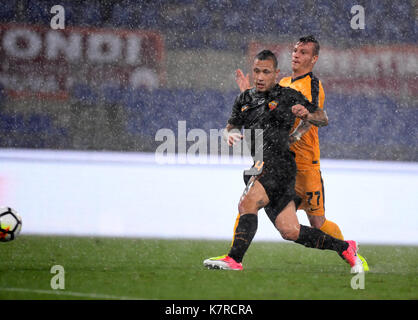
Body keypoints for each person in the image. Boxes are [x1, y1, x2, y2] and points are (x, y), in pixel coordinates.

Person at [203, 50, 364, 273]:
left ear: (276, 73)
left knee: (247, 203)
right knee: (290, 230)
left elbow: (323, 118)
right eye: (257, 71)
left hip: (279, 165)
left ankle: (234, 259)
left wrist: (307, 115)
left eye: (266, 72)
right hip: (264, 165)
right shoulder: (244, 99)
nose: (260, 76)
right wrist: (227, 134)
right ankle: (346, 247)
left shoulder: (288, 96)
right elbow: (230, 127)